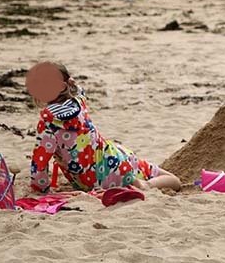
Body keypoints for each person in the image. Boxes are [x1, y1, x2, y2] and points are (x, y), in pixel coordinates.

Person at [28, 62, 181, 193]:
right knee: (174, 180)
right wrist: (72, 84)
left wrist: (41, 189)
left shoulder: (48, 123)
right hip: (118, 163)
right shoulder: (79, 102)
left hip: (91, 183)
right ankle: (145, 184)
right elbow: (80, 91)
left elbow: (39, 164)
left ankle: (139, 183)